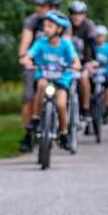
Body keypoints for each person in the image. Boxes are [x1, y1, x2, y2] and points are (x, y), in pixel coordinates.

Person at [23, 11, 81, 150]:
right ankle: (36, 118)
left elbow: (76, 61)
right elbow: (29, 55)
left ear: (59, 29)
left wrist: (75, 66)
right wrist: (27, 61)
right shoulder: (40, 42)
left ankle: (64, 133)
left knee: (61, 104)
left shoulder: (66, 45)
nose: (46, 29)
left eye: (50, 26)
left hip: (61, 79)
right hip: (44, 75)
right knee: (41, 85)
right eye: (45, 26)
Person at [18, 0, 64, 153]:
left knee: (63, 95)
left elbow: (67, 45)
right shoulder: (32, 20)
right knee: (28, 97)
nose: (38, 8)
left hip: (58, 66)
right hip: (37, 65)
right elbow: (26, 41)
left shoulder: (63, 22)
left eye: (42, 5)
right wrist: (24, 57)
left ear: (53, 7)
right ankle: (27, 136)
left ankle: (64, 128)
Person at [67, 0, 98, 120]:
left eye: (80, 14)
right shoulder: (65, 24)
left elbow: (92, 44)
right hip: (68, 61)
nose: (77, 16)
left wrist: (93, 61)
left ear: (84, 15)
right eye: (74, 13)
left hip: (84, 61)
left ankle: (85, 109)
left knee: (84, 78)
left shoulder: (88, 25)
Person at [93, 25, 108, 112]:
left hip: (106, 71)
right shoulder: (93, 46)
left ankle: (107, 105)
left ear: (105, 37)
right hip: (94, 71)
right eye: (98, 35)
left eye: (101, 36)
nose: (99, 38)